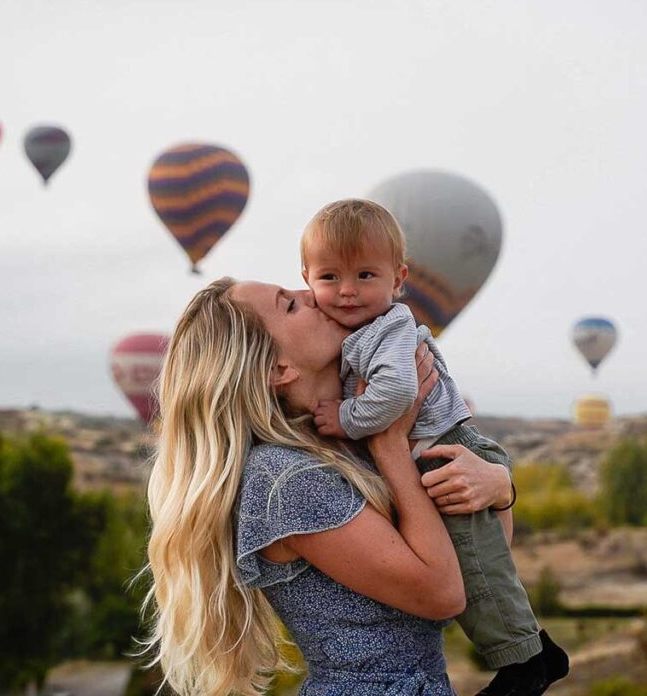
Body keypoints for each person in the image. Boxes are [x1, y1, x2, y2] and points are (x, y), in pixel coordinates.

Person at [145, 277, 514, 695]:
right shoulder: (285, 481)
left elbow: (477, 569)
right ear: (278, 369)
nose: (313, 295)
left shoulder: (349, 449)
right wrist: (392, 448)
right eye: (290, 306)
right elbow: (443, 595)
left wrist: (498, 488)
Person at [299, 199, 569, 696]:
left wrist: (345, 417)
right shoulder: (351, 334)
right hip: (427, 447)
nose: (348, 291)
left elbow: (399, 393)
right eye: (330, 277)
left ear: (398, 279)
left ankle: (525, 661)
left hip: (442, 445)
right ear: (306, 276)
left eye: (365, 275)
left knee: (474, 559)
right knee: (474, 558)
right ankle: (535, 648)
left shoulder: (388, 329)